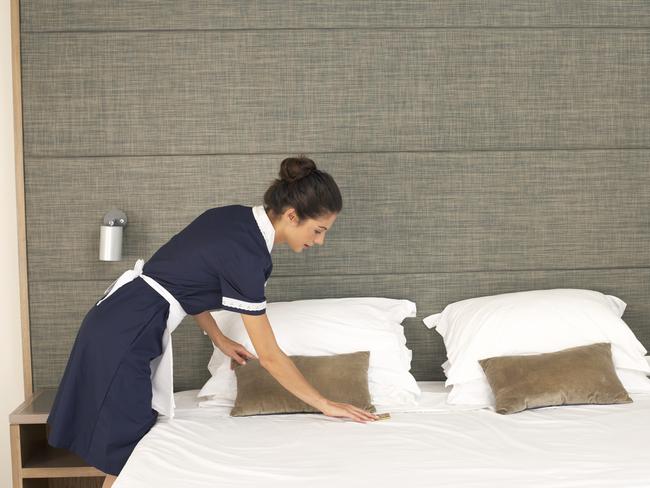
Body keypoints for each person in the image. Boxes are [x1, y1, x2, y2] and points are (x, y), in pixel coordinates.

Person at [45, 155, 379, 488]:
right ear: (293, 216)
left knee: (127, 442)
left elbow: (180, 281)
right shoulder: (249, 257)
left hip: (119, 317)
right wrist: (325, 404)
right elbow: (271, 355)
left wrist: (217, 337)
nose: (319, 241)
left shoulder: (232, 218)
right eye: (318, 230)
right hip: (128, 329)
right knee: (128, 448)